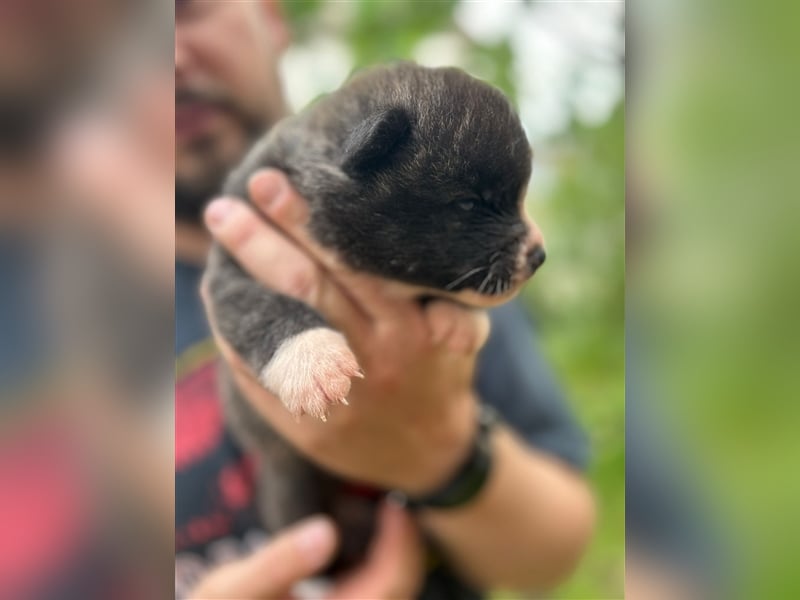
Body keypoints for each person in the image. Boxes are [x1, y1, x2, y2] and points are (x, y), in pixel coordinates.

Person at [175, 2, 594, 598]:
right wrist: (296, 342)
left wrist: (443, 450)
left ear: (269, 16)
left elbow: (558, 544)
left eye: (186, 10)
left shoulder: (440, 259)